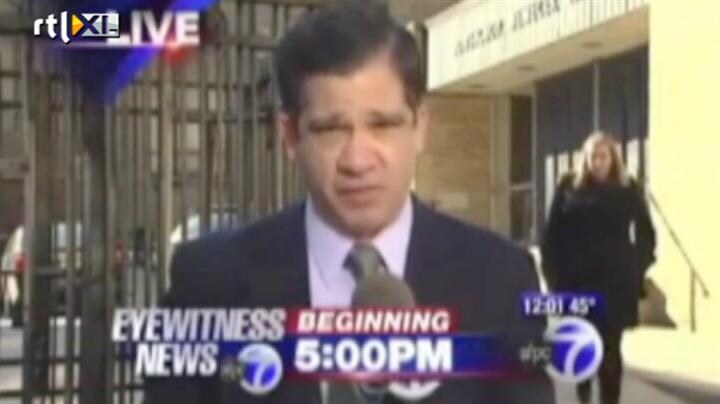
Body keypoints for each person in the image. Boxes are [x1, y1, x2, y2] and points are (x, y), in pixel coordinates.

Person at [145, 1, 555, 403]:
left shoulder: (500, 278)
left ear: (420, 127)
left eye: (384, 124)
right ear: (290, 137)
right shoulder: (208, 283)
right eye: (330, 130)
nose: (358, 160)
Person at [541, 132, 656, 404]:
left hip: (615, 282)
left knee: (610, 348)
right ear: (586, 158)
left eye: (603, 156)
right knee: (583, 343)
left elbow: (646, 233)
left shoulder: (627, 189)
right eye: (593, 156)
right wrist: (553, 274)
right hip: (576, 280)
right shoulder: (569, 186)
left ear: (613, 158)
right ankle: (583, 391)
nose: (598, 162)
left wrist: (636, 266)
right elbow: (552, 234)